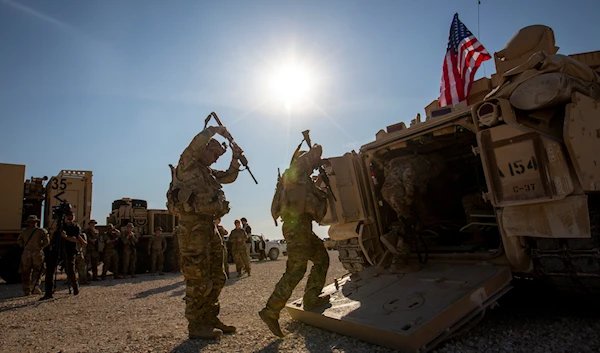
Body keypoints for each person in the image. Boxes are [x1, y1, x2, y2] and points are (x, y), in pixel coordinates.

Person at [166, 124, 242, 340]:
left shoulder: (207, 172)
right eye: (214, 153)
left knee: (218, 276)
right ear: (204, 149)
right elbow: (194, 144)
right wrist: (215, 130)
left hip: (209, 226)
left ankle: (210, 318)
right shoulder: (187, 164)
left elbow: (228, 177)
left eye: (220, 155)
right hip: (192, 227)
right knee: (197, 277)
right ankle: (196, 325)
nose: (216, 158)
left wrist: (235, 158)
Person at [259, 142, 330, 337]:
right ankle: (270, 311)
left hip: (301, 227)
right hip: (296, 227)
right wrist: (317, 149)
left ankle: (311, 297)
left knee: (322, 258)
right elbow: (306, 160)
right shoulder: (295, 172)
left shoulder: (298, 179)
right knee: (296, 269)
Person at [379, 154, 444, 272]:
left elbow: (419, 189)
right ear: (435, 166)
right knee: (407, 225)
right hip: (397, 190)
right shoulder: (421, 165)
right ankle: (398, 262)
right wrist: (409, 195)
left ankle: (398, 240)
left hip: (389, 190)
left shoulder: (408, 163)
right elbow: (408, 175)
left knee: (406, 220)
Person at [40, 212, 84, 300]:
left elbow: (76, 239)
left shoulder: (75, 227)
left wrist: (66, 237)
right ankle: (48, 292)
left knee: (70, 270)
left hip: (69, 251)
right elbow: (50, 240)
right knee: (50, 270)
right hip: (56, 249)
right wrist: (53, 232)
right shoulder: (59, 226)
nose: (69, 218)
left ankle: (75, 287)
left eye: (71, 216)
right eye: (68, 216)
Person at [17, 215, 49, 296]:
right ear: (36, 222)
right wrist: (40, 246)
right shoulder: (41, 231)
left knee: (25, 272)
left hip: (26, 253)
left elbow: (19, 242)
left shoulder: (24, 231)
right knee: (38, 270)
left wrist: (25, 246)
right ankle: (35, 286)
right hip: (37, 253)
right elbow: (47, 242)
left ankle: (26, 289)